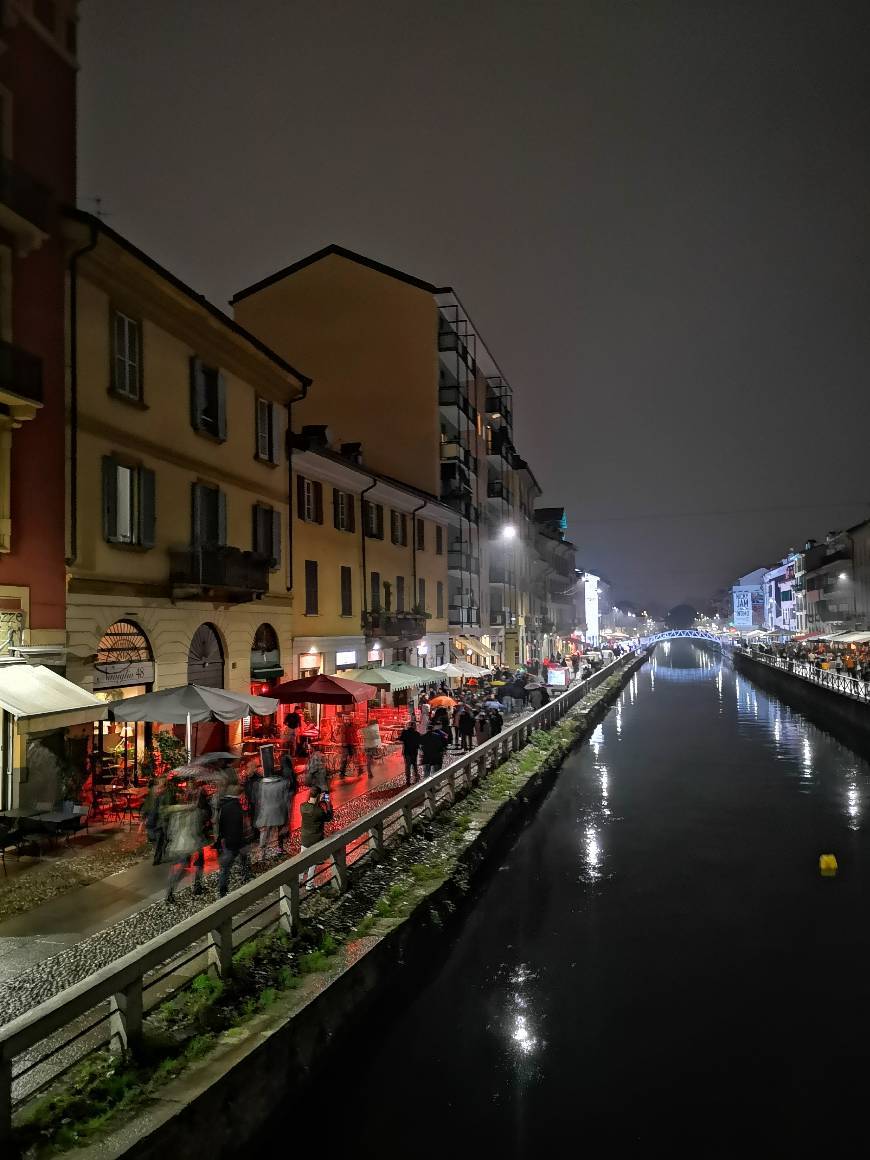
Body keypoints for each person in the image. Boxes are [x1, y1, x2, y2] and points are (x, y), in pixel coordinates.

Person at [164, 787, 207, 902]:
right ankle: (196, 886)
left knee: (178, 868)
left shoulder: (175, 814)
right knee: (191, 866)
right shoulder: (193, 812)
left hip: (176, 845)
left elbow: (171, 831)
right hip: (189, 844)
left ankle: (170, 891)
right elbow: (195, 830)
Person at [216, 783, 252, 897]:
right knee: (242, 859)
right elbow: (241, 825)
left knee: (226, 867)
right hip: (238, 841)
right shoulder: (238, 807)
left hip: (229, 841)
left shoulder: (224, 807)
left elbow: (221, 824)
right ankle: (245, 876)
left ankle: (223, 889)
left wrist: (222, 837)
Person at [299, 786, 334, 890]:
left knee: (303, 860)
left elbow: (311, 808)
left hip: (305, 838)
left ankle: (300, 879)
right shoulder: (319, 811)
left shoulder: (302, 806)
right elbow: (328, 817)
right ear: (319, 796)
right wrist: (328, 804)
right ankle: (309, 885)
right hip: (315, 839)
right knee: (312, 863)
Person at [255, 771, 290, 859]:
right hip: (278, 810)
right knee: (280, 829)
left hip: (266, 811)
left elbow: (260, 799)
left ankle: (262, 853)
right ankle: (280, 848)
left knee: (264, 831)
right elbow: (286, 799)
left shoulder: (261, 784)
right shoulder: (283, 783)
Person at [399, 719, 422, 785]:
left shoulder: (405, 732)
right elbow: (420, 742)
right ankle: (416, 778)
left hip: (407, 752)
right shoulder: (417, 734)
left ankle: (408, 780)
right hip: (414, 752)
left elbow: (401, 739)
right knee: (414, 765)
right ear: (414, 727)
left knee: (407, 766)